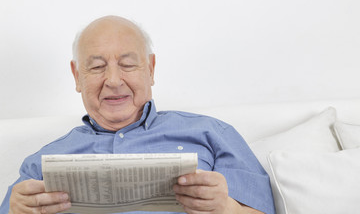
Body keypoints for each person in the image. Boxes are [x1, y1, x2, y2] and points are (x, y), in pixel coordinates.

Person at [0, 16, 275, 214]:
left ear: (151, 69)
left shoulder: (212, 134)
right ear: (76, 76)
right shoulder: (40, 166)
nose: (113, 80)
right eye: (96, 68)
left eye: (127, 64)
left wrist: (226, 209)